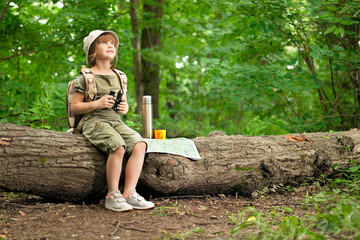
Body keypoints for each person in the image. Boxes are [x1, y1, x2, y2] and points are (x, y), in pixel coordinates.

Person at [71, 30, 154, 212]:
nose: (110, 46)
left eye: (113, 44)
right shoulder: (86, 77)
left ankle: (129, 193)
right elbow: (74, 107)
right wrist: (97, 103)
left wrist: (125, 108)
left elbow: (123, 102)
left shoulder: (119, 76)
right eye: (104, 43)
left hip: (114, 120)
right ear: (92, 50)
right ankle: (112, 195)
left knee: (140, 144)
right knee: (118, 146)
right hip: (93, 121)